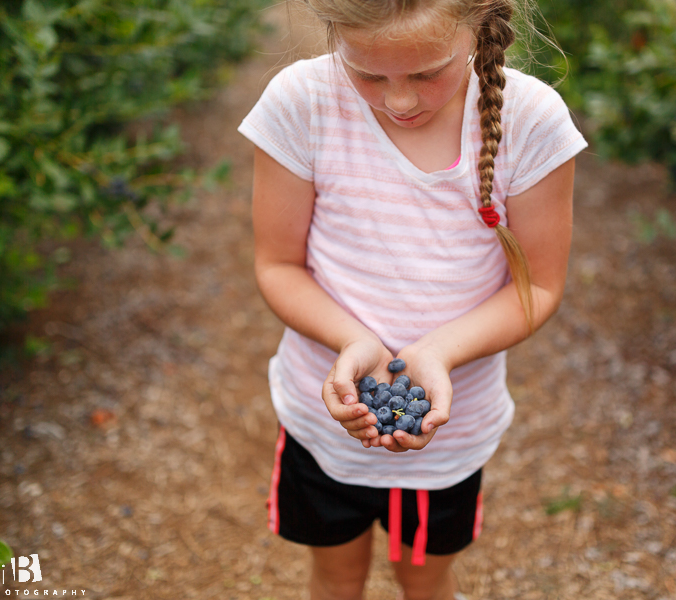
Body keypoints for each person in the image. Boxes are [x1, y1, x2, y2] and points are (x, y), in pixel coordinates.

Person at [238, 0, 587, 596]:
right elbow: (277, 265)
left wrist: (442, 352)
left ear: (479, 24)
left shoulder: (529, 121)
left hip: (452, 434)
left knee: (425, 576)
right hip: (322, 424)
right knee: (336, 573)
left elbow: (541, 286)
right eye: (369, 74)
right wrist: (354, 340)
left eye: (428, 72)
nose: (399, 101)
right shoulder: (301, 103)